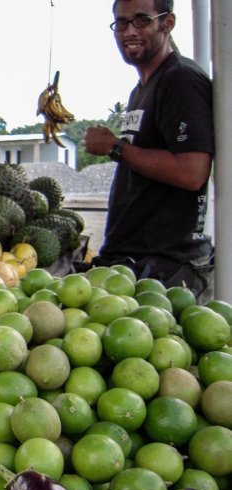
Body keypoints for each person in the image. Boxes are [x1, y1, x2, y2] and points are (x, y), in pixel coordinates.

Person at [83, 0, 214, 299]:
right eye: (121, 22)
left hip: (166, 268)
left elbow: (192, 172)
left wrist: (117, 148)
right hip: (135, 261)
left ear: (167, 23)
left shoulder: (180, 79)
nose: (129, 31)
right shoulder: (142, 88)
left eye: (141, 20)